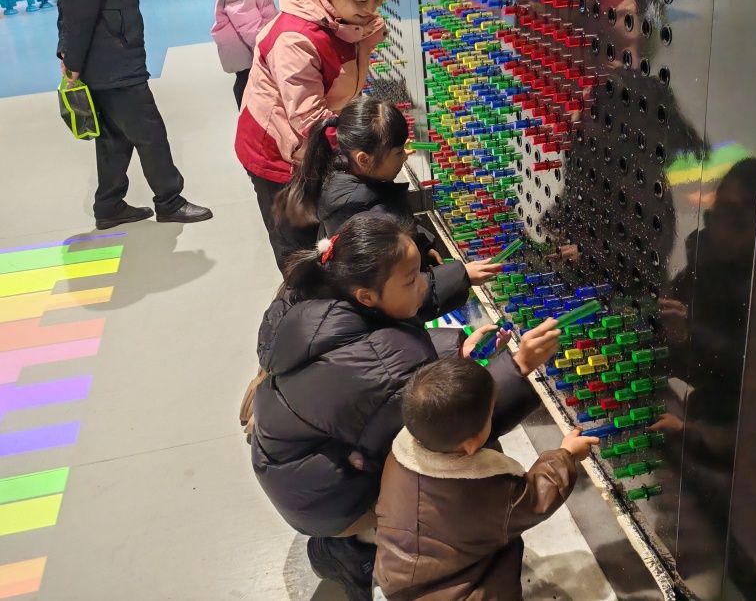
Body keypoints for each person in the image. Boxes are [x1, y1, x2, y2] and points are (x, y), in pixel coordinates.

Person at [250, 213, 559, 599]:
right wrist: (519, 368)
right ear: (366, 296)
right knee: (462, 479)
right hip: (328, 500)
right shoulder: (383, 372)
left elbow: (390, 338)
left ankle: (351, 540)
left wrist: (458, 320)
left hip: (299, 473)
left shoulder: (318, 298)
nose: (423, 283)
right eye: (412, 279)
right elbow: (452, 428)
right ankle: (358, 551)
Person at [56, 0, 212, 229]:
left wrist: (70, 53)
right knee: (149, 130)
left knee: (114, 134)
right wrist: (71, 59)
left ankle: (109, 205)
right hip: (112, 55)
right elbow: (81, 6)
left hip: (106, 53)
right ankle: (170, 200)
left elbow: (73, 1)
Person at [235, 0, 401, 269]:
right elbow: (309, 120)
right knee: (300, 249)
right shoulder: (295, 39)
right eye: (361, 1)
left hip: (313, 142)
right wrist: (366, 147)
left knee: (325, 235)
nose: (372, 9)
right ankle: (302, 297)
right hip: (277, 153)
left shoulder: (348, 20)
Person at [374, 358, 598, 600]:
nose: (493, 416)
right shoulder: (482, 493)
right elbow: (535, 499)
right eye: (491, 415)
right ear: (470, 444)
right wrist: (566, 455)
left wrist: (517, 367)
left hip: (398, 576)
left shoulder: (402, 455)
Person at [273, 97, 440, 269]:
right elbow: (399, 279)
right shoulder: (371, 219)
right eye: (398, 153)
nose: (405, 157)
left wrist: (422, 244)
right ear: (364, 159)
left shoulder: (339, 170)